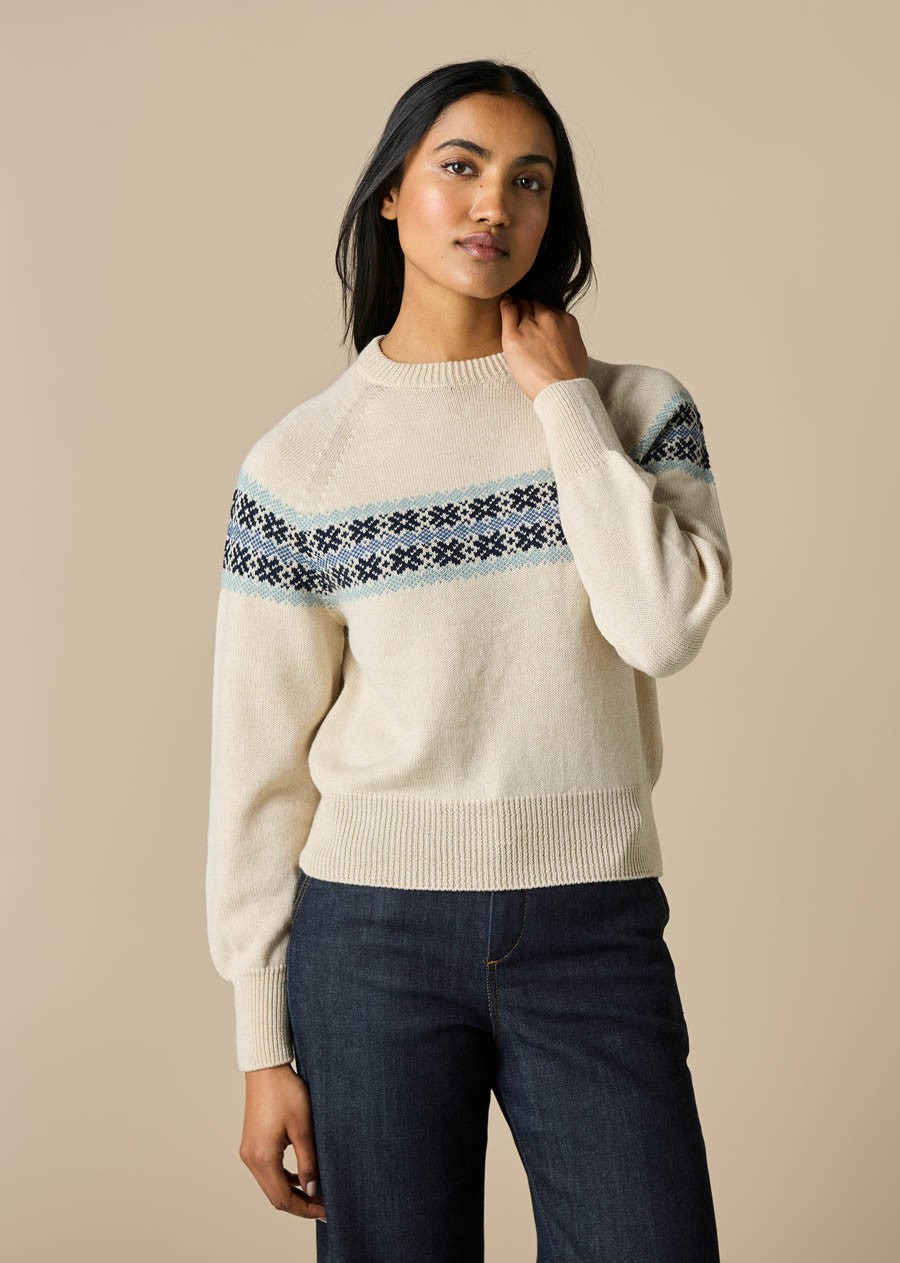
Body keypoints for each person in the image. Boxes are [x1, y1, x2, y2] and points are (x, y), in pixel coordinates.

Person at [205, 57, 733, 1263]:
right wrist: (260, 1043)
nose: (497, 203)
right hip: (369, 944)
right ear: (392, 193)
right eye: (462, 167)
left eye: (530, 181)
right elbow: (257, 771)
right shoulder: (301, 465)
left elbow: (660, 627)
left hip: (593, 929)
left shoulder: (636, 411)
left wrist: (563, 405)